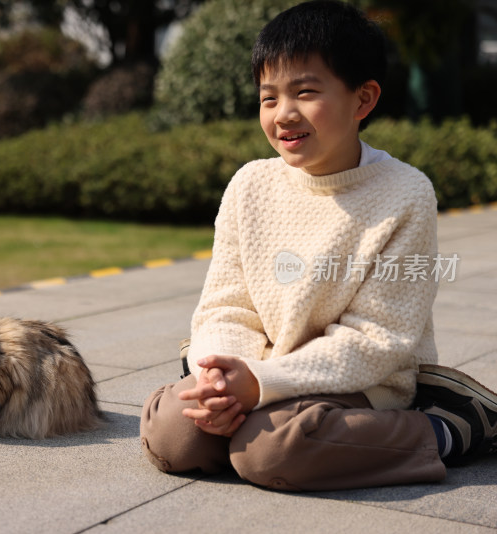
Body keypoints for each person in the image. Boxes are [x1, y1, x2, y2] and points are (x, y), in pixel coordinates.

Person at [140, 0, 497, 491]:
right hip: (256, 367)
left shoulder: (405, 194)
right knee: (176, 437)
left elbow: (376, 340)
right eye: (268, 98)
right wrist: (219, 381)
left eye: (305, 92)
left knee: (271, 451)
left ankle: (450, 426)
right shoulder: (249, 185)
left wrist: (263, 384)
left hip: (358, 381)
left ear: (363, 100)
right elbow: (226, 306)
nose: (284, 114)